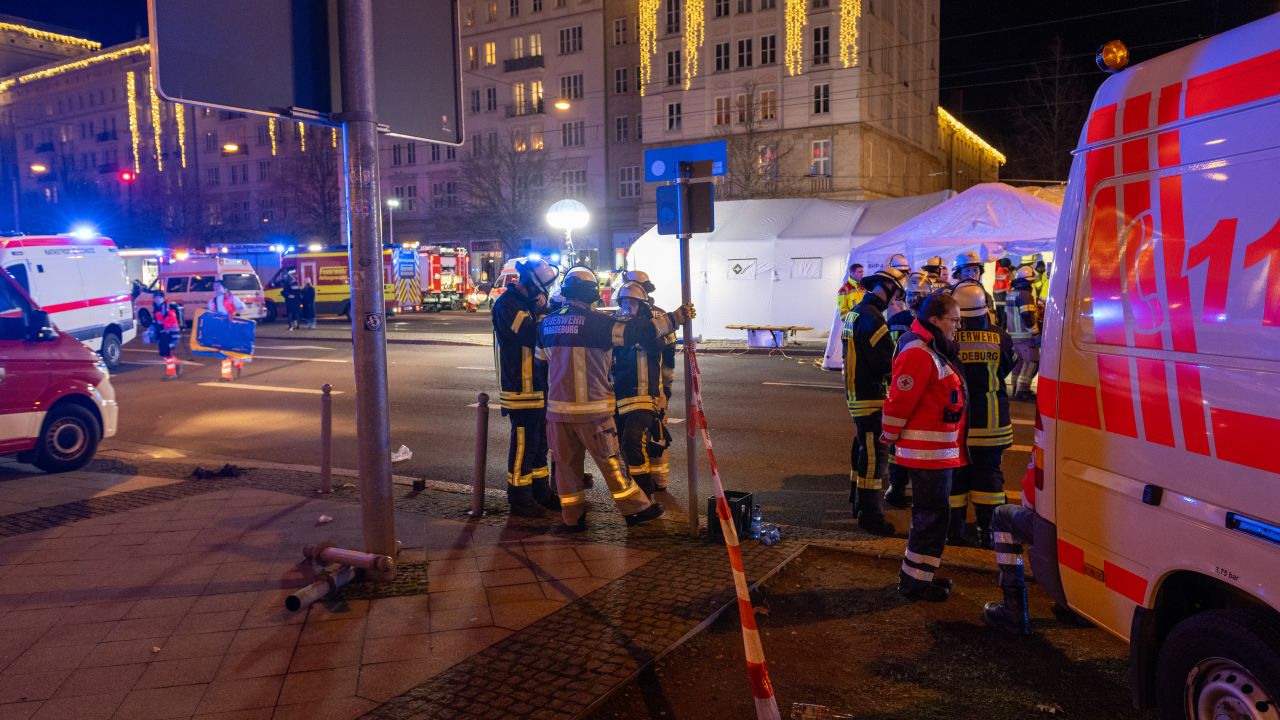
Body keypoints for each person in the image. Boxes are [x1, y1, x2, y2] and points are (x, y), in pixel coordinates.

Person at [537, 267, 694, 532]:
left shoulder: (546, 324)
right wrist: (675, 318)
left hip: (556, 413)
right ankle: (637, 509)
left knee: (565, 467)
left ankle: (572, 519)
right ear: (591, 294)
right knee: (612, 464)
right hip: (593, 411)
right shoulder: (597, 323)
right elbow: (639, 333)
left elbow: (542, 367)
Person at [881, 293, 967, 602]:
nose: (958, 326)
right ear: (935, 321)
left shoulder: (931, 348)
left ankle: (921, 576)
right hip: (926, 455)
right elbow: (899, 400)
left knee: (933, 518)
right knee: (930, 519)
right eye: (954, 320)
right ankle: (915, 583)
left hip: (935, 454)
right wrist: (888, 437)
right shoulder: (919, 352)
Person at [491, 257, 561, 517]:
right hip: (520, 387)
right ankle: (519, 497)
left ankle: (540, 491)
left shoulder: (527, 303)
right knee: (524, 444)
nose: (545, 295)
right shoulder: (507, 304)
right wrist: (543, 312)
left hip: (538, 386)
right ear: (532, 285)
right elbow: (531, 334)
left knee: (540, 443)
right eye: (543, 290)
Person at [948, 283, 1015, 549]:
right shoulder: (1001, 337)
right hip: (993, 422)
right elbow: (1006, 368)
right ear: (985, 309)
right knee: (989, 477)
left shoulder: (948, 339)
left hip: (957, 424)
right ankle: (987, 532)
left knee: (956, 476)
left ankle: (953, 532)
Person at [842, 266, 907, 537]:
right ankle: (871, 515)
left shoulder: (858, 311)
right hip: (870, 397)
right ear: (888, 286)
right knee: (874, 458)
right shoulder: (872, 318)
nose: (895, 299)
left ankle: (857, 502)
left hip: (857, 395)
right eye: (895, 293)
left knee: (862, 450)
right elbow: (885, 361)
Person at [617, 270, 677, 492]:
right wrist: (667, 387)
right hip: (651, 390)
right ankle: (658, 482)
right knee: (654, 437)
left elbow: (665, 353)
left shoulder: (623, 318)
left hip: (646, 391)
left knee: (640, 438)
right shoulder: (661, 316)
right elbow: (670, 359)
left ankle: (645, 484)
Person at [611, 282, 666, 498]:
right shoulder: (615, 326)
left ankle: (645, 491)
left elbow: (659, 346)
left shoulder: (649, 327)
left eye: (632, 303)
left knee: (632, 440)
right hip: (620, 397)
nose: (627, 306)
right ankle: (637, 488)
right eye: (624, 302)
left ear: (641, 305)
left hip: (644, 397)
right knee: (624, 447)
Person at [883, 271, 933, 509]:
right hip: (908, 387)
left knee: (908, 441)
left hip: (913, 387)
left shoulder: (903, 320)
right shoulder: (904, 321)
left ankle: (902, 486)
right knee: (903, 441)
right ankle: (899, 486)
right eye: (914, 295)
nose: (915, 300)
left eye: (919, 295)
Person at [981, 465, 1038, 635]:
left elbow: (1035, 488)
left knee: (1002, 516)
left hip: (1048, 523)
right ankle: (1075, 608)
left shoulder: (1051, 440)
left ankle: (1013, 610)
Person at [1005, 266, 1040, 401]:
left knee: (1018, 362)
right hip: (1026, 337)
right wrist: (1036, 334)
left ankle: (1015, 387)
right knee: (1032, 361)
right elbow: (1027, 316)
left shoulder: (1011, 294)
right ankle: (1023, 390)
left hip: (1014, 337)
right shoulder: (1025, 295)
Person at [207, 280, 248, 380]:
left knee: (225, 351)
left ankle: (227, 375)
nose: (216, 288)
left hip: (231, 328)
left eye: (218, 286)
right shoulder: (212, 301)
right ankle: (236, 362)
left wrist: (234, 312)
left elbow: (242, 307)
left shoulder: (232, 299)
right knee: (223, 351)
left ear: (225, 288)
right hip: (220, 329)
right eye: (214, 286)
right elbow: (211, 314)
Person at [151, 291, 182, 380]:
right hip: (162, 334)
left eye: (159, 298)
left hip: (168, 334)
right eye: (156, 297)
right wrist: (151, 330)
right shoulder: (156, 309)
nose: (157, 299)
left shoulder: (168, 310)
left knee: (167, 354)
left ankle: (171, 373)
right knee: (165, 354)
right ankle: (177, 363)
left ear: (163, 299)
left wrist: (174, 340)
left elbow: (174, 325)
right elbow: (155, 322)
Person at [992, 258, 1013, 326]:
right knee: (1005, 315)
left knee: (999, 314)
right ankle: (1003, 330)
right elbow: (1007, 286)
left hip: (996, 295)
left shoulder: (997, 270)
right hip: (1003, 296)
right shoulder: (1006, 272)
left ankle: (999, 327)